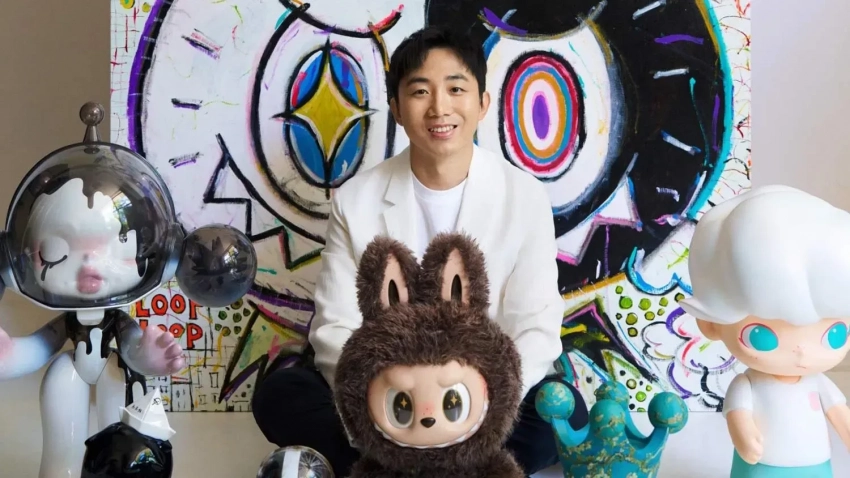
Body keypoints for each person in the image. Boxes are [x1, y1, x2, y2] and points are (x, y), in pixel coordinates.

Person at [251, 25, 588, 477]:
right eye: (420, 91)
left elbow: (535, 327)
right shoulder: (356, 199)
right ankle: (446, 464)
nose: (439, 108)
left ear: (482, 103)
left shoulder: (523, 196)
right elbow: (336, 326)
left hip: (481, 399)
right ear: (396, 108)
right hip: (390, 399)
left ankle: (403, 466)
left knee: (563, 415)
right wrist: (392, 401)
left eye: (456, 89)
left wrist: (476, 410)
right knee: (280, 397)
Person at [679, 185, 850, 478]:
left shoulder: (819, 382)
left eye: (835, 335)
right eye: (761, 336)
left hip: (816, 466)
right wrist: (744, 435)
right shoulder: (747, 385)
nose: (802, 352)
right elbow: (738, 415)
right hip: (762, 467)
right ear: (711, 325)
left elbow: (839, 412)